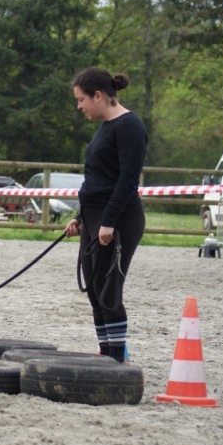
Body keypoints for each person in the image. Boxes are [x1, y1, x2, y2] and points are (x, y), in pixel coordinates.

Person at [64, 68, 147, 364]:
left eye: (81, 99)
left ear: (98, 96)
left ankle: (115, 360)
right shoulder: (105, 127)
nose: (79, 106)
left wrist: (108, 221)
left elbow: (127, 180)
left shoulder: (129, 126)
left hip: (119, 219)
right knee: (95, 291)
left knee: (109, 292)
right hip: (94, 218)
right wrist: (80, 216)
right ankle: (106, 357)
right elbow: (97, 179)